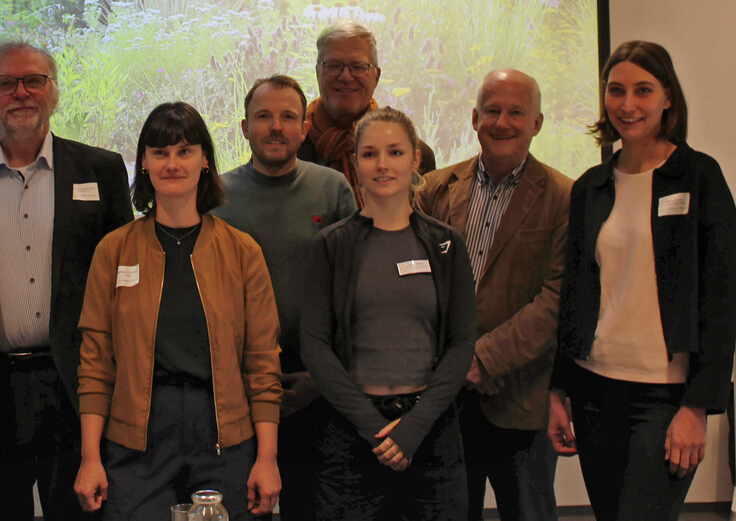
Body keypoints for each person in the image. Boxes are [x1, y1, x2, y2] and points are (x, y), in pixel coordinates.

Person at [0, 41, 132, 521]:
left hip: (76, 386)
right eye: (5, 83)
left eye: (34, 81)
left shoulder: (100, 170)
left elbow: (124, 283)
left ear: (54, 91)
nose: (20, 93)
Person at [548, 41, 736, 521]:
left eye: (643, 90)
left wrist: (698, 406)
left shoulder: (699, 177)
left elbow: (722, 298)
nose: (627, 104)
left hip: (665, 397)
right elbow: (574, 295)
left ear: (668, 97)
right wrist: (557, 391)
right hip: (594, 390)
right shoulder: (591, 186)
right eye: (616, 90)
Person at [75, 101, 282, 520]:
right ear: (144, 163)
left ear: (205, 160)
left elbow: (262, 363)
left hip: (224, 440)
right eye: (160, 152)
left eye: (185, 151)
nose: (172, 164)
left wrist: (267, 459)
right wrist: (90, 457)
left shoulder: (242, 252)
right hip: (136, 443)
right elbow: (96, 362)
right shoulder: (114, 250)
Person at [301, 107, 476, 520]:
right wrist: (371, 427)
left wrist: (415, 427)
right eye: (369, 154)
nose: (382, 164)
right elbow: (314, 345)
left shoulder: (446, 244)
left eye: (395, 152)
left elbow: (462, 342)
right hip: (352, 435)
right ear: (355, 163)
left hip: (431, 432)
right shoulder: (332, 245)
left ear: (416, 159)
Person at [416, 69, 571, 521]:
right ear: (474, 118)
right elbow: (415, 287)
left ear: (537, 123)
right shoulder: (434, 190)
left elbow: (556, 298)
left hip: (520, 399)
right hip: (445, 399)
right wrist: (457, 362)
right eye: (492, 111)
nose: (502, 122)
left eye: (516, 113)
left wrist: (484, 359)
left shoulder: (564, 197)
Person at [211, 75, 355, 520]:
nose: (276, 127)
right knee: (245, 509)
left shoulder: (333, 189)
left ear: (304, 128)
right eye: (263, 117)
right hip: (238, 392)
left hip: (318, 390)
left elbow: (354, 295)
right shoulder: (215, 196)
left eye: (288, 117)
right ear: (244, 127)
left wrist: (323, 377)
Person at [300, 19, 437, 207]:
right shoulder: (291, 148)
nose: (345, 76)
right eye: (333, 65)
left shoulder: (414, 156)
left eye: (358, 67)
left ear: (376, 76)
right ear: (317, 72)